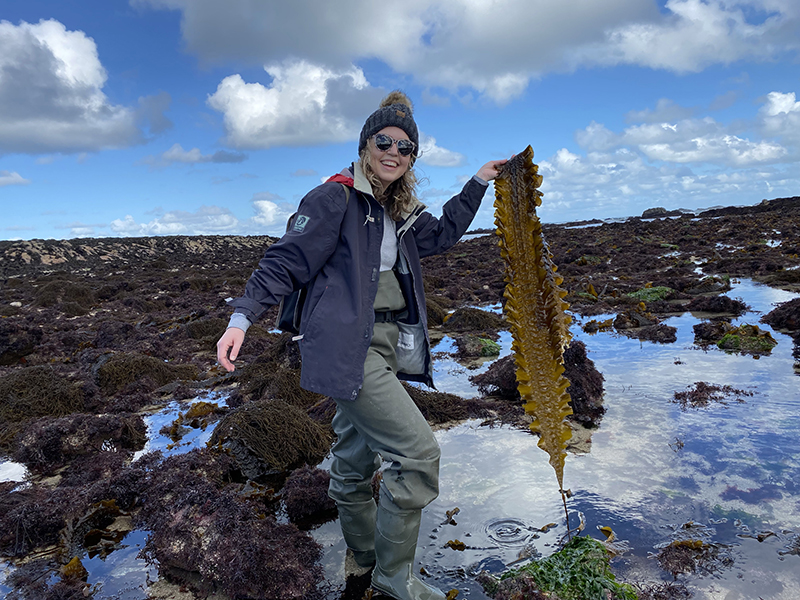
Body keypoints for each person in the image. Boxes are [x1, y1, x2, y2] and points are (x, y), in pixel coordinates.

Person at [217, 90, 507, 600]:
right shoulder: (334, 198)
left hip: (387, 342)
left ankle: (364, 557)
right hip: (346, 347)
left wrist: (477, 184)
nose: (394, 152)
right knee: (417, 455)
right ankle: (396, 580)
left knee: (353, 461)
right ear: (365, 143)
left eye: (406, 147)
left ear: (413, 156)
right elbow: (286, 259)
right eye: (384, 141)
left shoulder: (401, 208)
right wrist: (242, 316)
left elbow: (440, 237)